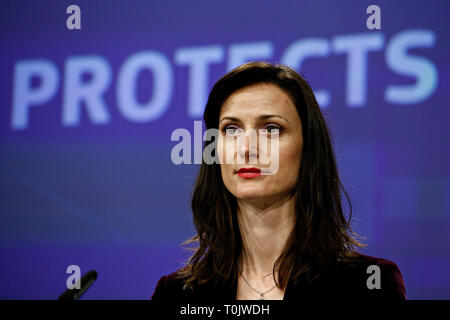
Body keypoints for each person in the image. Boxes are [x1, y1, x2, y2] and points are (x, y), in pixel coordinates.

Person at [151, 62, 406, 300]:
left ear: (308, 148)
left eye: (272, 129)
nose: (247, 149)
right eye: (231, 130)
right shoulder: (176, 294)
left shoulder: (370, 284)